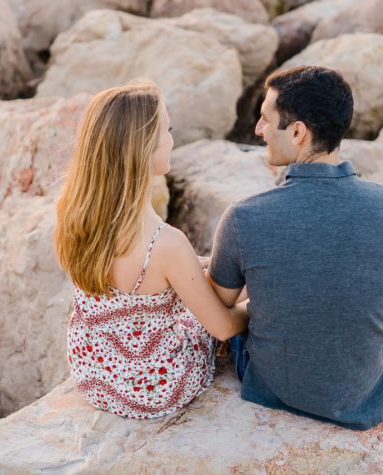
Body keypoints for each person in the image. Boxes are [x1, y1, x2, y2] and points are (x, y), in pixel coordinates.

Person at [208, 65, 383, 430]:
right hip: (362, 395)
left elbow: (215, 308)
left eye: (265, 120)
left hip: (275, 389)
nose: (258, 130)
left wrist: (253, 305)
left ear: (297, 132)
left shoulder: (245, 217)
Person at [57, 80, 248, 419]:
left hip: (94, 373)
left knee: (204, 278)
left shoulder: (74, 212)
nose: (173, 139)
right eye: (167, 130)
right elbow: (223, 328)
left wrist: (194, 267)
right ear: (143, 147)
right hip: (153, 388)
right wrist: (252, 304)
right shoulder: (166, 243)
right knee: (234, 292)